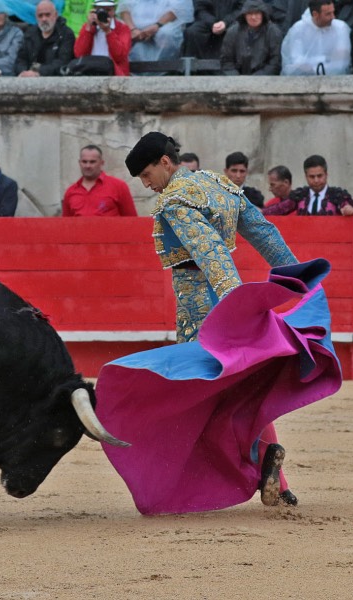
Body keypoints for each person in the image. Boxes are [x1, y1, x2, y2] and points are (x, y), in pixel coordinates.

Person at [119, 131, 304, 507]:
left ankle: (178, 486)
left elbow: (212, 255)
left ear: (166, 163)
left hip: (202, 315)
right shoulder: (217, 183)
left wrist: (234, 307)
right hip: (223, 304)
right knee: (240, 389)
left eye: (147, 174)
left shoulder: (175, 200)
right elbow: (263, 231)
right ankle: (277, 481)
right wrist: (297, 276)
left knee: (198, 399)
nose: (146, 184)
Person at [62, 145, 137, 217]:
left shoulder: (119, 187)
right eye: (84, 162)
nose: (88, 166)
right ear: (79, 163)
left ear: (101, 163)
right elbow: (64, 225)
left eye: (92, 162)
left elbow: (132, 221)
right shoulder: (70, 192)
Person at [280, 0, 352, 75]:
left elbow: (340, 64)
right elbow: (297, 63)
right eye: (328, 14)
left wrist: (311, 64)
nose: (333, 17)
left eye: (333, 12)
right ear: (315, 14)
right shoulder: (298, 30)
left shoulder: (341, 28)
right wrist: (325, 60)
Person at [118, 0, 194, 63]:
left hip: (164, 24)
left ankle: (167, 67)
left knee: (167, 34)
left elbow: (179, 9)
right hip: (134, 26)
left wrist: (157, 25)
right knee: (119, 32)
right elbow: (124, 9)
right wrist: (132, 29)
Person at [220, 0, 283, 74]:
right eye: (249, 13)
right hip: (237, 80)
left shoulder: (273, 32)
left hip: (264, 80)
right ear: (244, 15)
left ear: (263, 14)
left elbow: (275, 63)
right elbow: (226, 61)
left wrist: (255, 80)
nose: (253, 17)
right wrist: (236, 79)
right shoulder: (233, 32)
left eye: (257, 13)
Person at [15, 0, 76, 77]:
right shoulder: (29, 34)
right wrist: (23, 72)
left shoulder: (66, 34)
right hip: (28, 79)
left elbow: (63, 62)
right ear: (36, 17)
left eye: (47, 15)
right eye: (40, 16)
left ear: (56, 15)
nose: (44, 19)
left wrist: (38, 72)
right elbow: (20, 59)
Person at [285, 155, 353, 216]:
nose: (316, 180)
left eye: (320, 176)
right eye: (312, 177)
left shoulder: (338, 195)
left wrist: (350, 211)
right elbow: (275, 211)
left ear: (326, 175)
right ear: (306, 177)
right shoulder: (299, 196)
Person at [73, 0, 132, 75]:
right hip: (90, 72)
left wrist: (108, 32)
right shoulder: (88, 27)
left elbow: (119, 57)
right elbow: (79, 54)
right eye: (101, 10)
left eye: (108, 10)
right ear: (94, 11)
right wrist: (88, 28)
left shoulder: (123, 28)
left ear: (114, 11)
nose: (105, 13)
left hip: (114, 75)